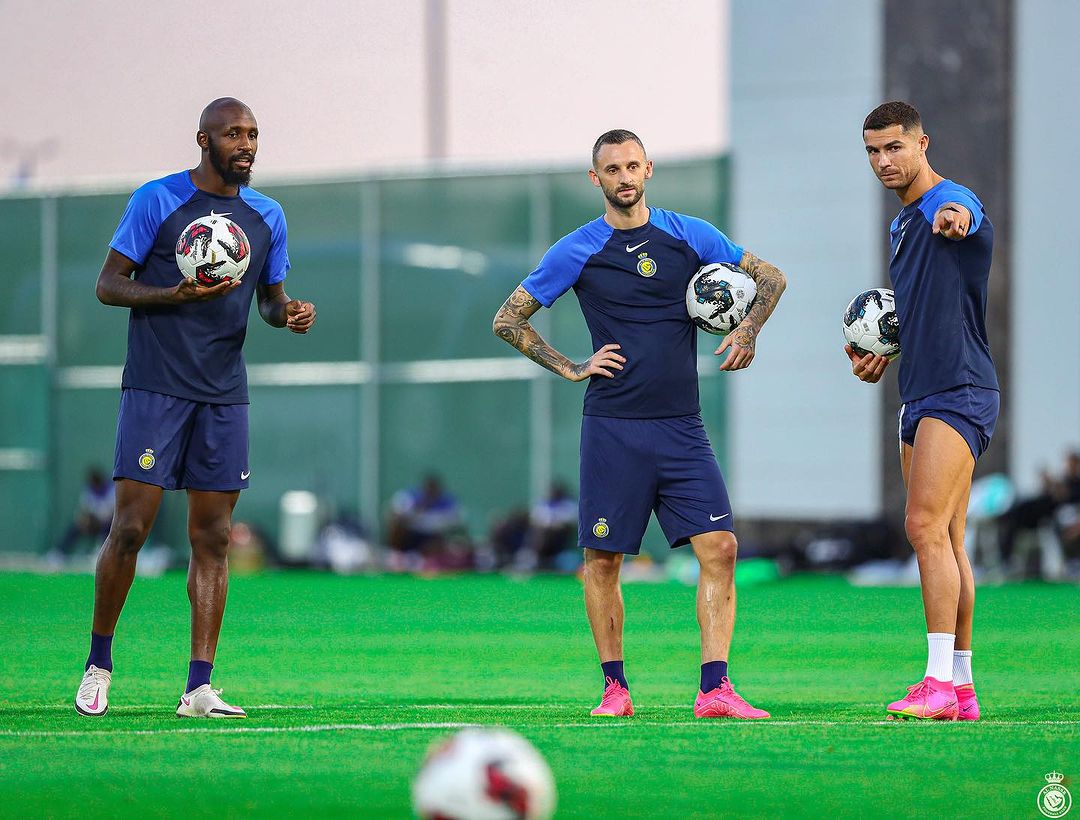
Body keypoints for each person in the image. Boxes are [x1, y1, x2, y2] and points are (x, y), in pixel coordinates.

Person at [492, 130, 786, 719]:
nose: (624, 177)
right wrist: (572, 366)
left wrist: (747, 329)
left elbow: (771, 279)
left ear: (648, 169)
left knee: (721, 547)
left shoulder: (690, 234)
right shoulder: (576, 249)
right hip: (613, 429)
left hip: (682, 427)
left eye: (632, 165)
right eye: (611, 169)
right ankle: (615, 690)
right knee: (602, 561)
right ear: (594, 179)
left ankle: (715, 690)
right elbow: (509, 318)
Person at [73, 98, 316, 719]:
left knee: (212, 537)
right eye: (234, 134)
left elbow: (269, 299)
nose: (247, 145)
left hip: (223, 393)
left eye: (254, 135)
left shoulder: (266, 216)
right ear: (203, 139)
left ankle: (198, 686)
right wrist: (171, 293)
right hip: (156, 386)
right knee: (130, 528)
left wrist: (287, 314)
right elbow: (108, 284)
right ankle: (99, 664)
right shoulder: (156, 200)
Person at [853, 101, 998, 720]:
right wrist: (882, 350)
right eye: (872, 152)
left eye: (894, 148)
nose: (884, 161)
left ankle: (937, 682)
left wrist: (957, 217)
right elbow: (925, 309)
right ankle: (959, 687)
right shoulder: (901, 225)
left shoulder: (948, 202)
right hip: (919, 389)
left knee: (922, 529)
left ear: (921, 143)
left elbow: (964, 212)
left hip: (958, 389)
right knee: (945, 538)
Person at [48, 467, 115, 563]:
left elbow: (112, 513)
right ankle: (59, 553)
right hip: (94, 523)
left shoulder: (111, 490)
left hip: (109, 524)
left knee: (109, 527)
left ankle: (102, 555)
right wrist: (84, 520)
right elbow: (84, 510)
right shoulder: (89, 491)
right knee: (75, 527)